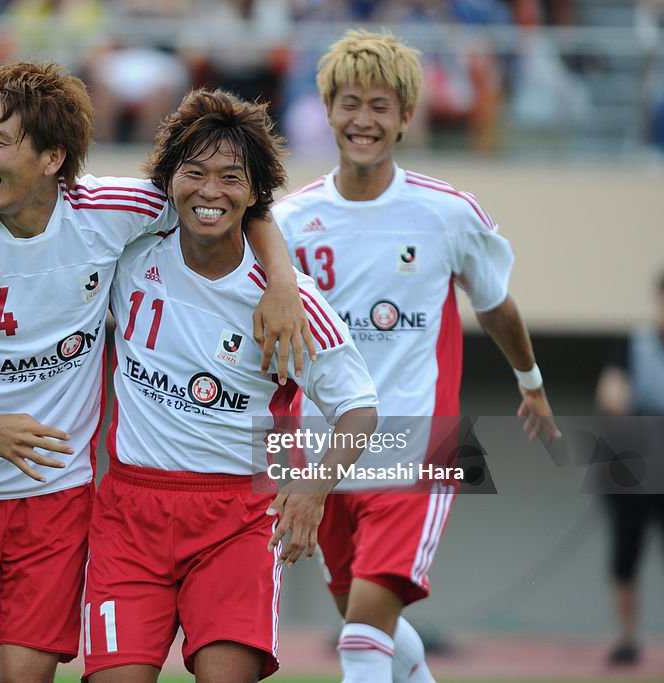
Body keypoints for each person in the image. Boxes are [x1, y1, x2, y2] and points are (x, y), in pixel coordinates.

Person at [0, 62, 311, 683]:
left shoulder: (113, 209)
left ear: (52, 159)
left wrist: (282, 281)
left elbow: (226, 199)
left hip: (55, 498)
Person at [270, 30, 561, 683]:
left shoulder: (447, 213)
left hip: (415, 444)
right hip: (323, 452)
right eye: (349, 102)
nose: (363, 119)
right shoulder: (288, 222)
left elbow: (497, 305)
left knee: (360, 639)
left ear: (406, 116)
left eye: (380, 105)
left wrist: (532, 381)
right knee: (362, 621)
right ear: (327, 109)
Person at [82, 88, 378, 683]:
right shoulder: (132, 250)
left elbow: (359, 407)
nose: (210, 191)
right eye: (194, 173)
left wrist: (314, 488)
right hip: (128, 512)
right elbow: (51, 201)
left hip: (237, 518)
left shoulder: (290, 304)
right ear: (169, 181)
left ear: (254, 191)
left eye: (229, 177)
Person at [595, 271, 664, 666]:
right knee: (625, 554)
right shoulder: (633, 344)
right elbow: (612, 396)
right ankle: (627, 637)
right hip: (635, 471)